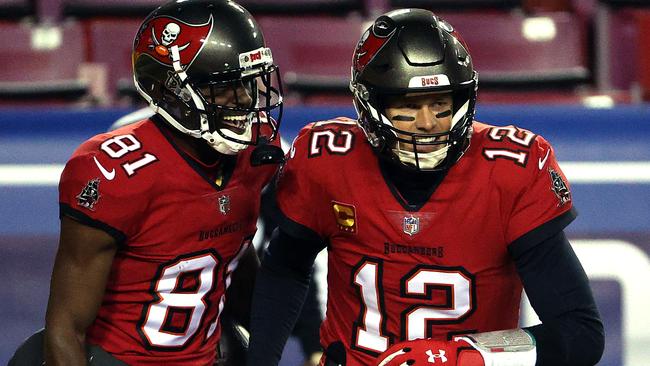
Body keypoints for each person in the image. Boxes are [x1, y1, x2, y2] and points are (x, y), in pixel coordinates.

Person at [245, 8, 604, 366]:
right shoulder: (327, 157)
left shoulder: (510, 170)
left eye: (440, 103)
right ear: (370, 104)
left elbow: (580, 332)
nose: (428, 122)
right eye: (408, 105)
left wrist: (464, 356)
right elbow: (285, 269)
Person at [41, 0, 284, 364]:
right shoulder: (111, 172)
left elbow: (230, 243)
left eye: (249, 84)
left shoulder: (255, 152)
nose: (244, 101)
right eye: (223, 88)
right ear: (170, 91)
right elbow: (65, 329)